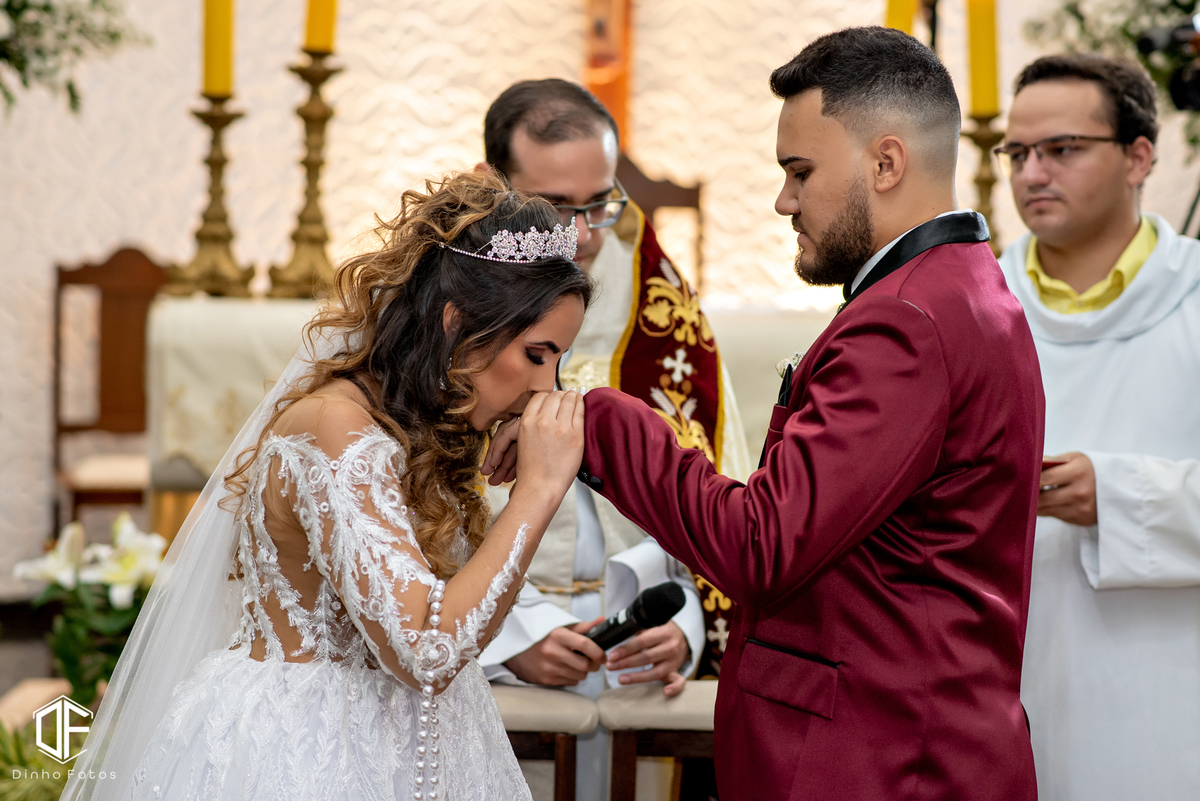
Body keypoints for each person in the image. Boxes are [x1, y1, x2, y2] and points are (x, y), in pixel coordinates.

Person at [486, 27, 1044, 800]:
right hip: (906, 733)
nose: (784, 200)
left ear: (886, 163)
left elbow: (761, 545)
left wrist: (597, 423)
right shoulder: (966, 288)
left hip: (880, 757)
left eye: (800, 171)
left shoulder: (906, 322)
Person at [61, 171, 595, 801]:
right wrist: (539, 491)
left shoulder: (421, 430)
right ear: (455, 324)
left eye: (558, 360)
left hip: (415, 745)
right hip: (306, 752)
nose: (546, 388)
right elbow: (425, 650)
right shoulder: (334, 429)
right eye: (536, 354)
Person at [476, 80, 751, 800]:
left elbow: (714, 501)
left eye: (601, 202)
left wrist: (686, 625)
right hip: (485, 679)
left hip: (635, 682)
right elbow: (400, 525)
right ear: (490, 184)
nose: (584, 235)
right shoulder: (441, 317)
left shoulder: (661, 308)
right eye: (554, 207)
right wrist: (510, 638)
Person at [996, 53, 1200, 801]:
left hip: (1169, 693)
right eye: (1017, 153)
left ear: (1138, 157)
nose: (1032, 173)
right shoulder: (973, 306)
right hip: (1000, 687)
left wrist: (1117, 497)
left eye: (1062, 149)